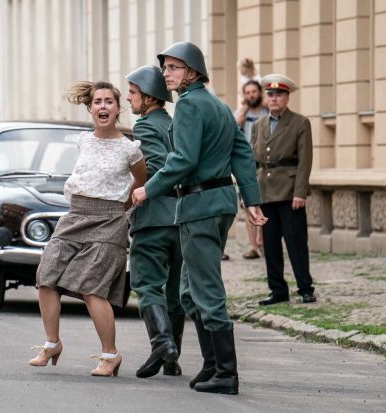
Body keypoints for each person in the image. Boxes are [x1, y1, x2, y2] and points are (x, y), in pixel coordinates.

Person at [132, 42, 267, 395]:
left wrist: (150, 189)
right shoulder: (217, 105)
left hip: (200, 205)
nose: (166, 74)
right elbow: (241, 151)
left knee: (205, 290)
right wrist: (251, 200)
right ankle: (211, 366)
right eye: (165, 68)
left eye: (174, 68)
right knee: (189, 290)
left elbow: (183, 160)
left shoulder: (191, 105)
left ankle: (226, 372)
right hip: (217, 202)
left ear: (192, 72)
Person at [29, 81, 147, 377]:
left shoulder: (129, 148)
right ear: (91, 108)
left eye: (109, 101)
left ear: (118, 109)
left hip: (109, 220)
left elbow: (141, 180)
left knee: (92, 288)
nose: (103, 106)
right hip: (75, 215)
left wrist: (123, 205)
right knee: (46, 276)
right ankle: (51, 343)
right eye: (97, 102)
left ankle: (111, 355)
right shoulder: (83, 140)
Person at [124, 65, 184, 378]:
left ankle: (163, 342)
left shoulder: (146, 127)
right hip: (182, 217)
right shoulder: (173, 124)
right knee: (174, 292)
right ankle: (171, 359)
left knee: (146, 283)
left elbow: (160, 166)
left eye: (132, 93)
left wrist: (139, 192)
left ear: (148, 97)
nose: (128, 99)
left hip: (155, 217)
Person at [252, 74, 316, 306]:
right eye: (270, 94)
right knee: (270, 245)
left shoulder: (300, 122)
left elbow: (305, 160)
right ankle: (277, 289)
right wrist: (251, 196)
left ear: (287, 97)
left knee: (296, 242)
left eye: (279, 94)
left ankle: (305, 287)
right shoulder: (258, 125)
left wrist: (300, 191)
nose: (274, 98)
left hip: (290, 193)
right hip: (266, 192)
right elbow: (253, 161)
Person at [235, 80, 268, 259]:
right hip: (246, 166)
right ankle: (253, 245)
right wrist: (244, 109)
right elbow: (234, 125)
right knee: (247, 205)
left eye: (254, 92)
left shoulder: (266, 110)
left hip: (263, 165)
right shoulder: (242, 113)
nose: (251, 95)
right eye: (247, 92)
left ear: (260, 92)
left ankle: (263, 241)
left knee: (262, 203)